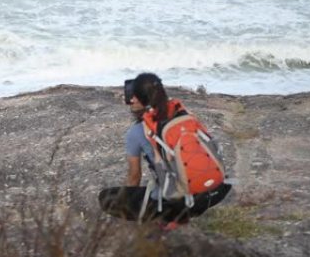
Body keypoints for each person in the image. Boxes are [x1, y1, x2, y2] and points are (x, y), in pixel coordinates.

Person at [99, 73, 231, 227]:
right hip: (214, 193)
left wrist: (130, 197)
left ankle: (170, 221)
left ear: (136, 99)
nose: (129, 99)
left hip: (179, 204)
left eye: (132, 96)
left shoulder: (136, 132)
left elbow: (134, 177)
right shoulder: (184, 114)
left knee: (106, 198)